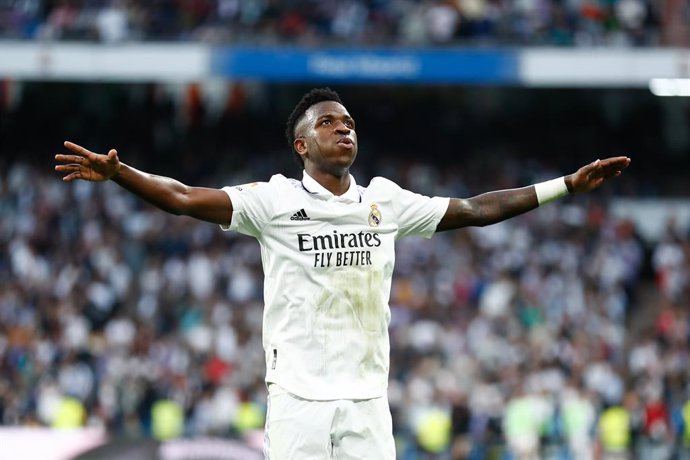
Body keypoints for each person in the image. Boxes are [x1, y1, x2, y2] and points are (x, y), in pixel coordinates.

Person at [55, 87, 631, 459]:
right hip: (298, 400)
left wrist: (565, 186)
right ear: (302, 144)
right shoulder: (273, 202)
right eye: (330, 123)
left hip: (365, 400)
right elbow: (182, 198)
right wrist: (121, 173)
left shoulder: (385, 202)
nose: (344, 128)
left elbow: (477, 210)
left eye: (350, 122)